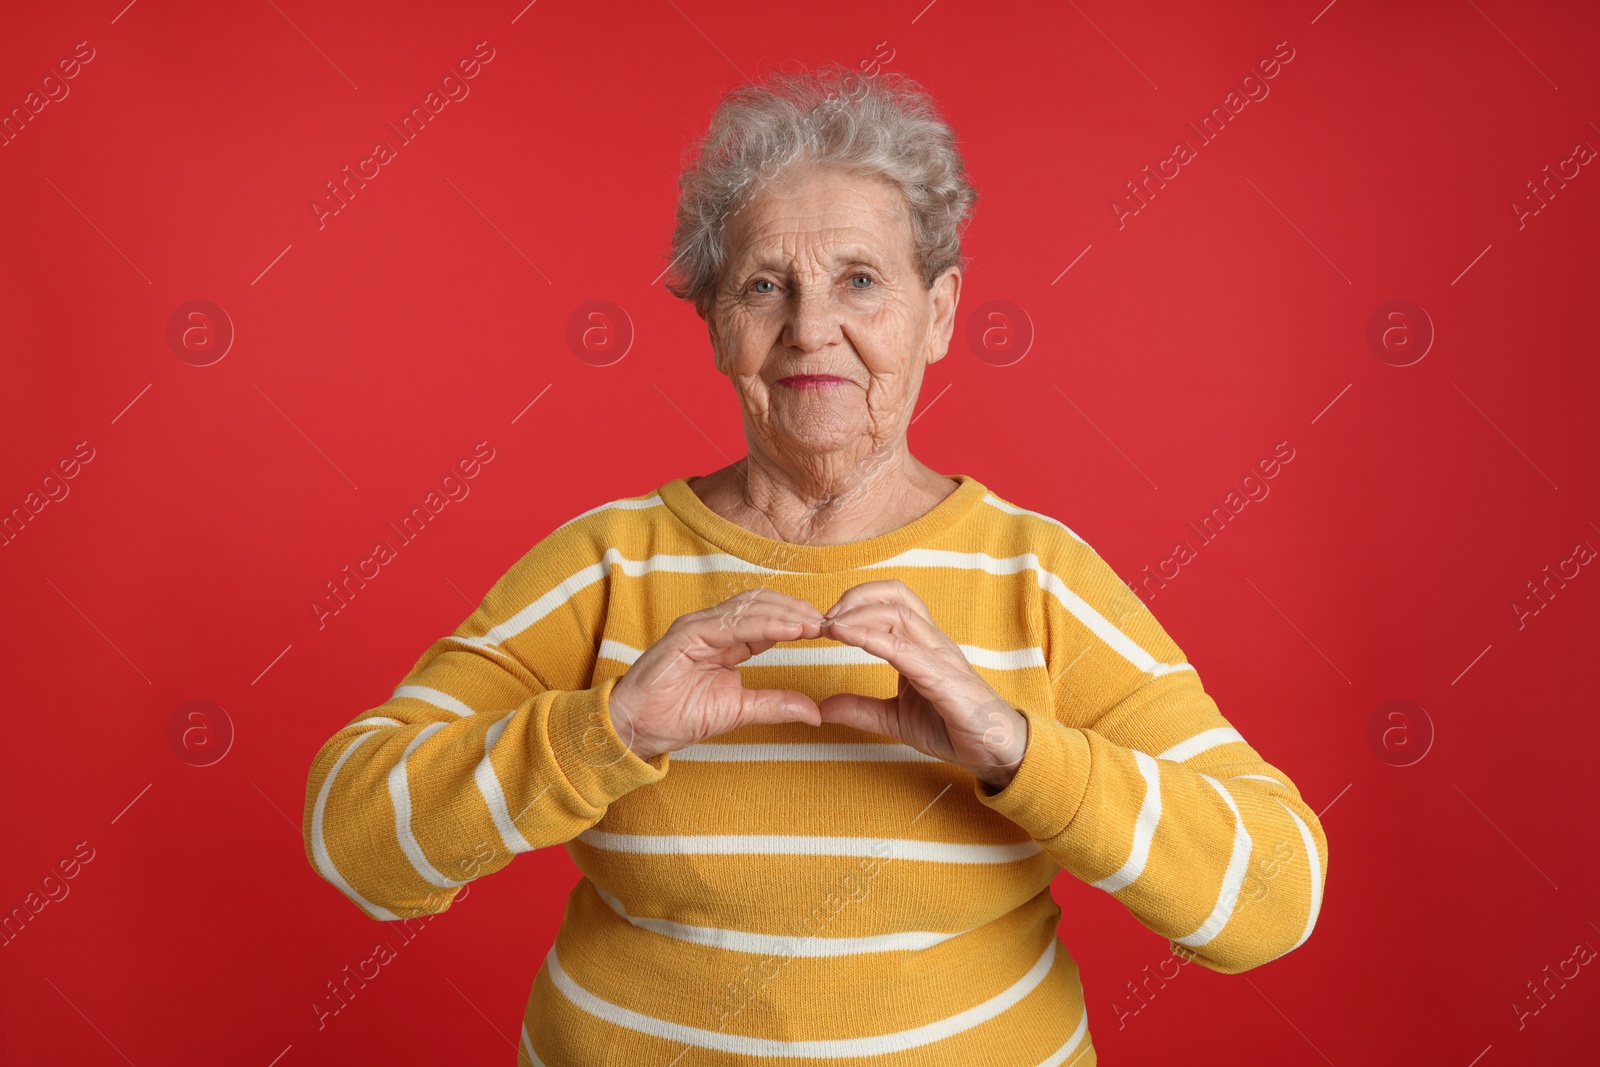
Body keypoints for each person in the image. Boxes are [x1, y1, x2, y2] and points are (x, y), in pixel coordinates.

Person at [301, 62, 1328, 1065]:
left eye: (860, 280)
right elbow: (354, 842)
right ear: (714, 325)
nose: (810, 330)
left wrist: (1019, 751)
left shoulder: (1038, 577)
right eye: (763, 286)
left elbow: (1273, 895)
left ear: (938, 313)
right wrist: (603, 730)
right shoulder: (603, 566)